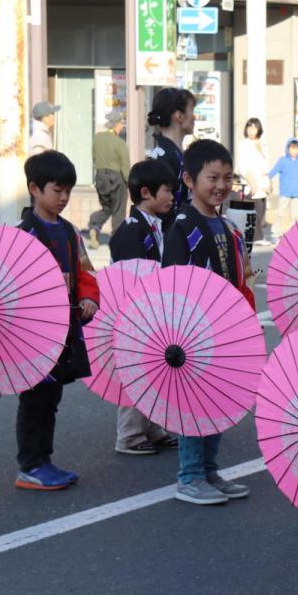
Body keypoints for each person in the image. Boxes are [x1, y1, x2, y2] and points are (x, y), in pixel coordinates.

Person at [163, 139, 255, 503]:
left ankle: (209, 470)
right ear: (189, 179)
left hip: (225, 326)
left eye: (227, 178)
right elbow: (172, 281)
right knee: (193, 404)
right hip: (193, 330)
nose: (221, 185)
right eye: (212, 178)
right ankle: (189, 476)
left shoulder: (227, 224)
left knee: (218, 401)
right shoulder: (183, 224)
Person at [14, 150, 100, 490]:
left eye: (68, 190)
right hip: (32, 333)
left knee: (51, 398)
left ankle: (43, 460)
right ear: (34, 189)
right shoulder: (23, 234)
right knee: (34, 399)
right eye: (57, 190)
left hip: (62, 330)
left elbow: (85, 271)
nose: (63, 197)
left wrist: (89, 297)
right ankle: (31, 464)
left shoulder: (69, 232)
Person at [107, 159, 179, 456]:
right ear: (147, 193)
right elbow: (130, 278)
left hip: (151, 310)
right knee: (135, 375)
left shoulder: (154, 224)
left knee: (154, 372)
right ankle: (129, 435)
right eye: (167, 190)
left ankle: (151, 426)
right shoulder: (130, 231)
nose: (172, 196)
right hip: (135, 313)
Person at [146, 87, 197, 230]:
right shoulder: (164, 156)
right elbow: (159, 207)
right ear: (179, 116)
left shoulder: (172, 153)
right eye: (192, 111)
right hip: (170, 235)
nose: (195, 117)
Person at [86, 111, 130, 249]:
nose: (122, 126)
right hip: (116, 179)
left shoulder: (97, 138)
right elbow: (125, 167)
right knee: (118, 212)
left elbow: (94, 157)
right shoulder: (120, 143)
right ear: (117, 124)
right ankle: (117, 241)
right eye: (121, 123)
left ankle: (95, 226)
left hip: (100, 177)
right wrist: (130, 183)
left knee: (107, 208)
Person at [236, 117, 270, 246]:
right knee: (253, 210)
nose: (251, 130)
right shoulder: (244, 144)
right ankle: (257, 238)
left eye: (254, 127)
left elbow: (266, 164)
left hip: (263, 183)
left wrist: (268, 181)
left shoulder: (264, 144)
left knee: (261, 209)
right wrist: (251, 181)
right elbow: (242, 166)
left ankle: (253, 236)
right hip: (250, 183)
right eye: (249, 127)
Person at [267, 138, 298, 242]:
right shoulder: (282, 161)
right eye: (292, 148)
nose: (294, 150)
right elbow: (273, 171)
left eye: (296, 148)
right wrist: (266, 178)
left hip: (296, 193)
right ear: (288, 149)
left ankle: (292, 235)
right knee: (280, 213)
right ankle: (275, 233)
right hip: (285, 192)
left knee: (293, 216)